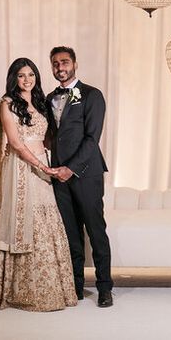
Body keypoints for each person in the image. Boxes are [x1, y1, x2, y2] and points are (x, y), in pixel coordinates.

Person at [0, 58, 77, 312]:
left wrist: (58, 162)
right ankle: (1, 289)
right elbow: (17, 144)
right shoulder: (7, 104)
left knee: (44, 219)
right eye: (21, 75)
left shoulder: (42, 102)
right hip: (20, 168)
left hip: (43, 165)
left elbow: (49, 138)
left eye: (31, 74)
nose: (27, 79)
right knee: (17, 220)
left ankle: (44, 287)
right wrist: (43, 167)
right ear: (14, 78)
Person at [46, 46, 113, 308]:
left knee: (96, 232)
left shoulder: (91, 95)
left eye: (64, 62)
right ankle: (75, 287)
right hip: (58, 177)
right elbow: (52, 136)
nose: (60, 67)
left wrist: (69, 168)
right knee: (70, 235)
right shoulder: (50, 97)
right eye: (55, 63)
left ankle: (105, 287)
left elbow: (91, 139)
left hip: (86, 174)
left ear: (75, 63)